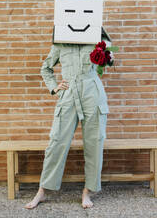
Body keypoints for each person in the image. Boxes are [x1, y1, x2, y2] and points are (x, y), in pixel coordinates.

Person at [24, 37, 111, 209]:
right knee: (56, 141)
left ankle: (88, 191)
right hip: (69, 92)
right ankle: (42, 191)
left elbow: (107, 58)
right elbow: (46, 68)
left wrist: (106, 55)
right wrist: (54, 87)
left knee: (94, 142)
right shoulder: (60, 42)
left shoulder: (95, 39)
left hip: (92, 92)